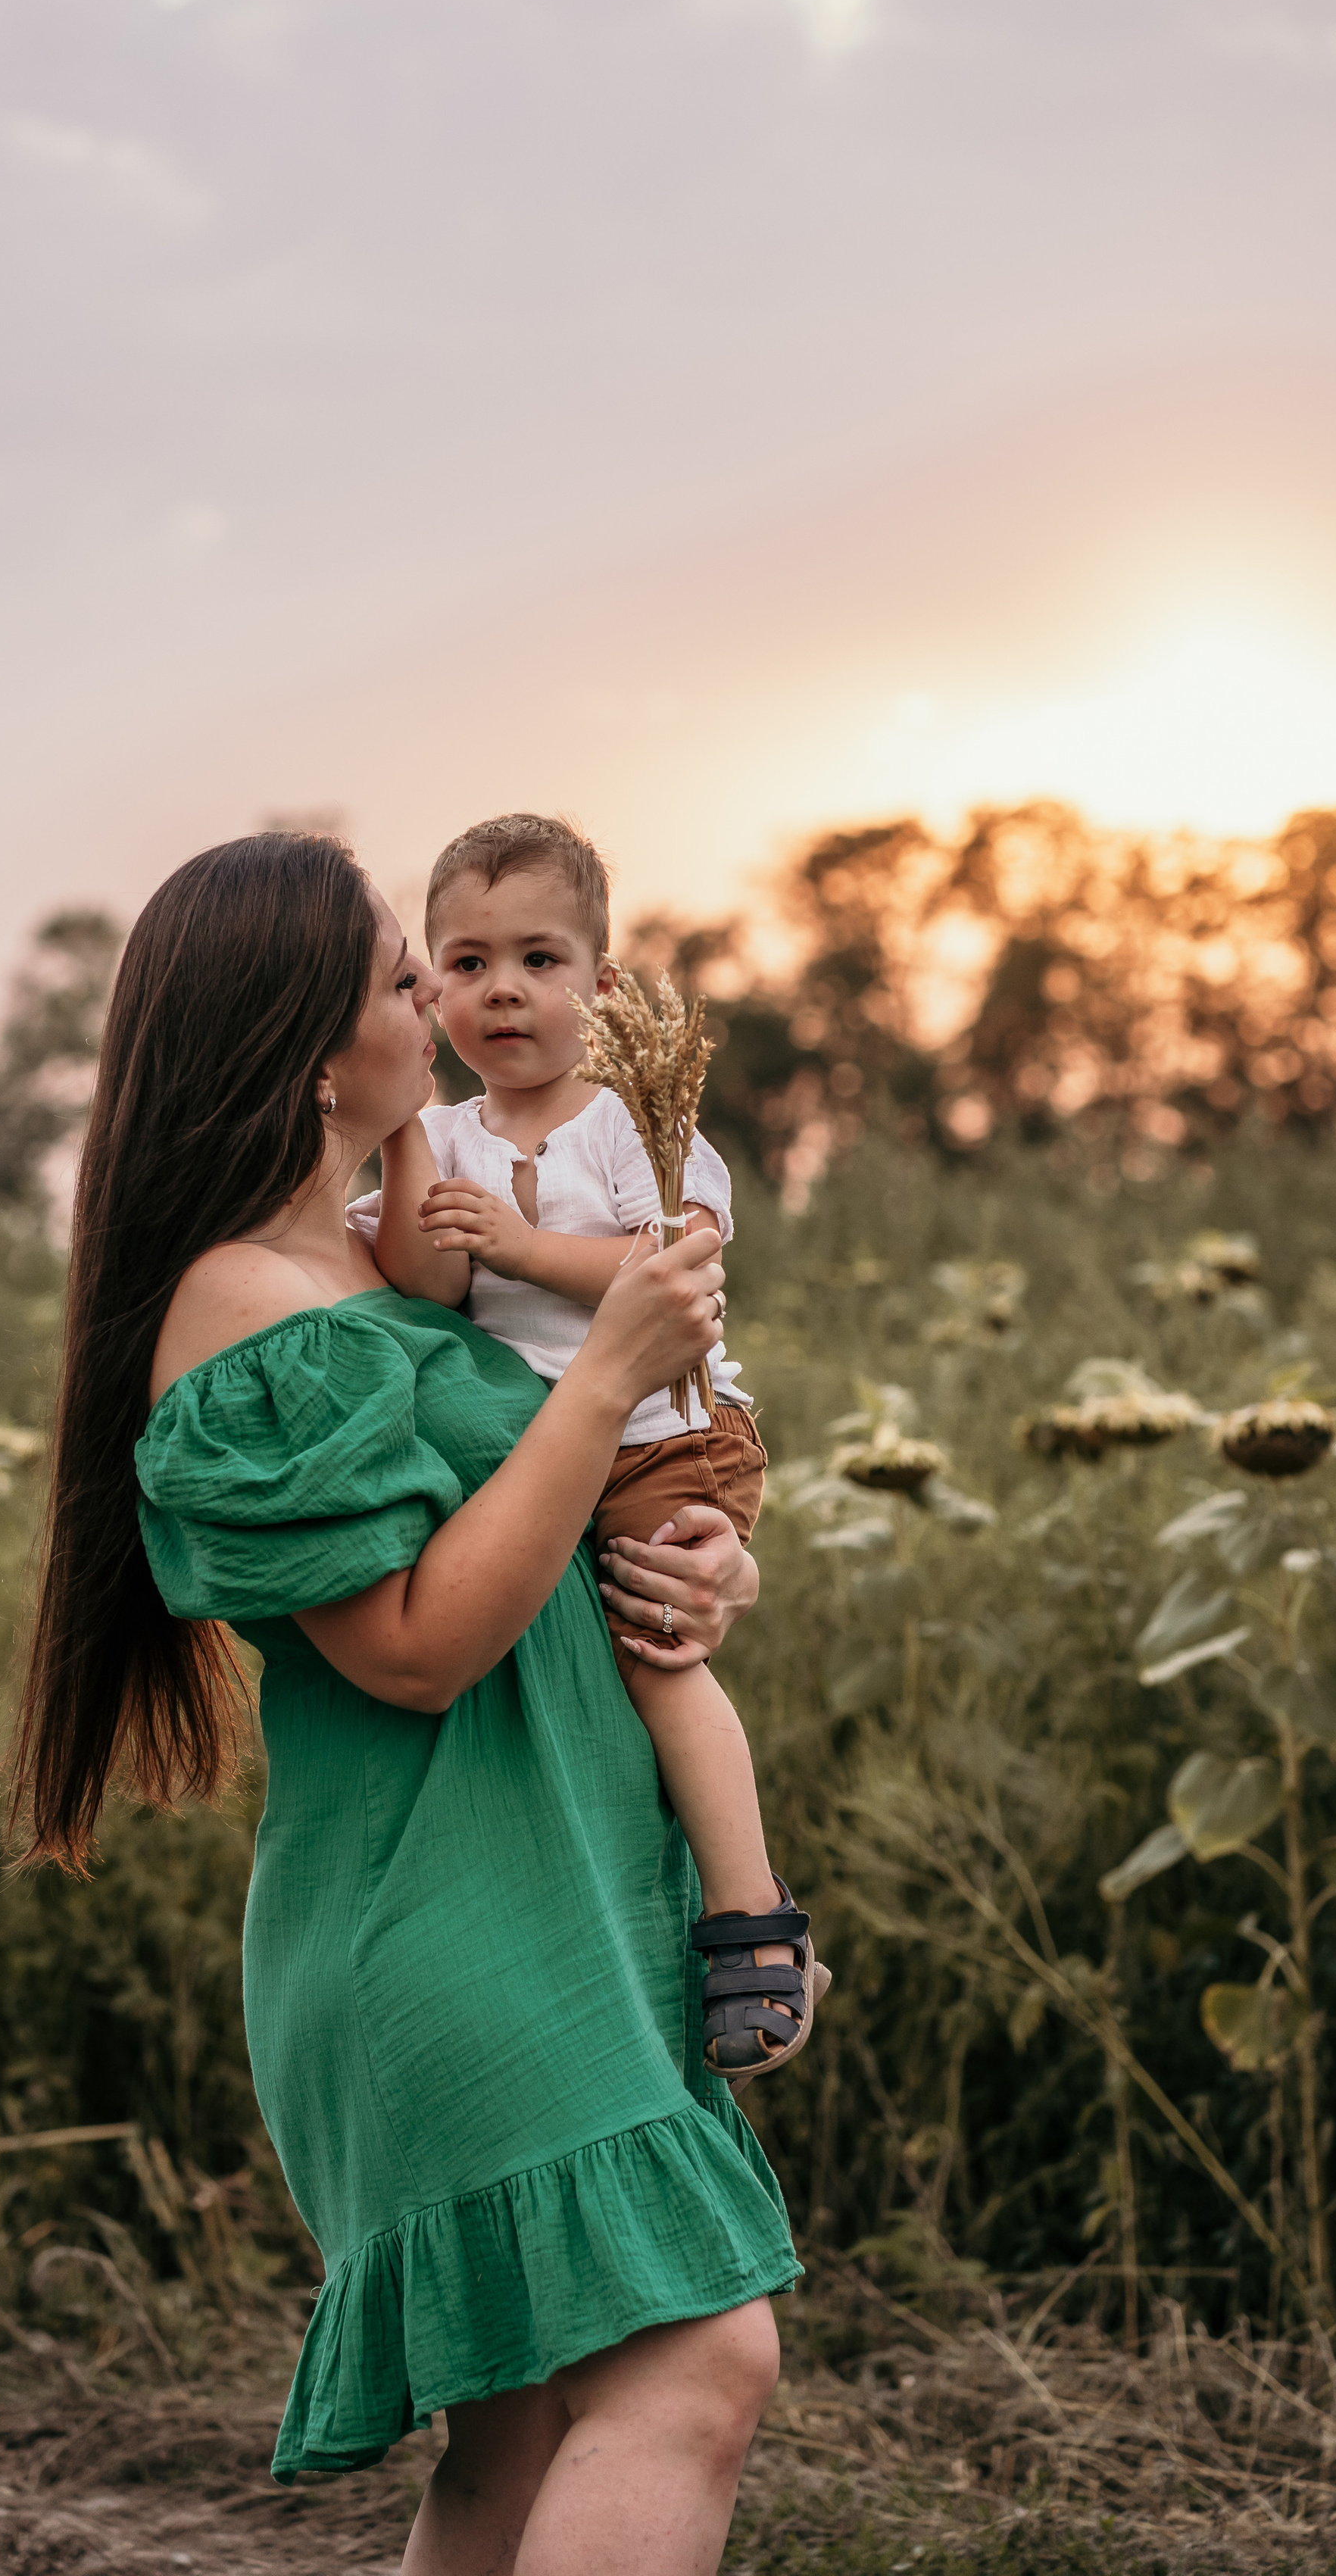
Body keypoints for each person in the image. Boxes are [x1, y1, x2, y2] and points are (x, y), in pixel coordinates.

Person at [8, 832, 799, 2576]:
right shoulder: (245, 1302)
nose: (438, 1002)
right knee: (694, 2366)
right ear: (308, 1053)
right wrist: (603, 1376)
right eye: (397, 976)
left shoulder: (384, 1279)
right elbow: (412, 1646)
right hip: (438, 1912)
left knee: (514, 2446)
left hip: (551, 1889)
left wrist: (695, 1560)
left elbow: (535, 1549)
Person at [358, 814, 826, 2081]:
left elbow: (669, 1267)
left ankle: (752, 1919)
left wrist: (515, 1245)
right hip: (543, 1456)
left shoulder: (634, 1123)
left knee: (659, 1659)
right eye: (462, 964)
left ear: (604, 987)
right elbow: (421, 1279)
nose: (501, 989)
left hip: (665, 1434)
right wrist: (408, 1134)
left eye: (540, 959)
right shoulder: (448, 1139)